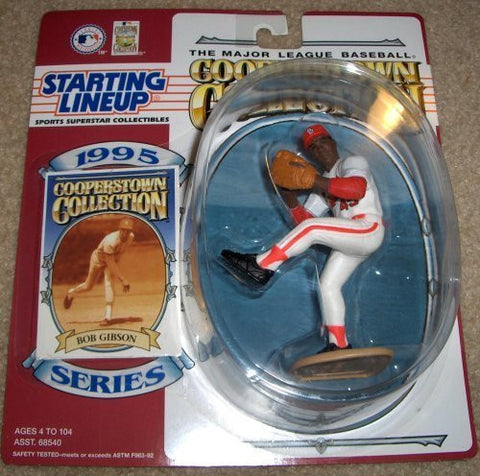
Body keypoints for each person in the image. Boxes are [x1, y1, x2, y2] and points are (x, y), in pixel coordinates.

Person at [221, 125, 385, 351]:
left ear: (333, 142)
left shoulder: (352, 162)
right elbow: (304, 223)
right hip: (351, 239)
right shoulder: (322, 181)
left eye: (323, 141)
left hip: (367, 227)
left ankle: (262, 266)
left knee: (313, 229)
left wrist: (313, 180)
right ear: (310, 154)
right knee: (328, 285)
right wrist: (288, 194)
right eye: (313, 147)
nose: (319, 148)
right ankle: (339, 344)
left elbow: (356, 189)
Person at [63, 217, 134, 326]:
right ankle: (71, 293)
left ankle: (107, 317)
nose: (125, 233)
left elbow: (117, 256)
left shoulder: (131, 237)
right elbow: (110, 262)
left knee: (109, 282)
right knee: (88, 286)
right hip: (98, 260)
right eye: (123, 230)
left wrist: (117, 266)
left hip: (111, 261)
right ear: (119, 229)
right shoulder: (110, 241)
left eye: (127, 230)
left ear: (130, 231)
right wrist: (122, 279)